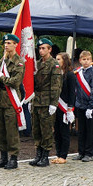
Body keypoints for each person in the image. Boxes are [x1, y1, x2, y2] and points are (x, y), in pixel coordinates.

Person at [0, 34, 25, 169]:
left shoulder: (19, 62)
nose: (6, 46)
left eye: (9, 43)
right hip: (0, 99)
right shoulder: (2, 61)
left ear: (16, 45)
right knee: (0, 130)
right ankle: (3, 157)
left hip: (11, 100)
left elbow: (15, 82)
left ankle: (13, 158)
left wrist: (2, 78)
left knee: (11, 131)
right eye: (5, 43)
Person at [29, 38, 62, 167]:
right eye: (40, 48)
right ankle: (38, 154)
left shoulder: (54, 64)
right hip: (36, 100)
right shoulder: (36, 64)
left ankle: (45, 156)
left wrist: (54, 103)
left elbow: (56, 85)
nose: (41, 51)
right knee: (36, 129)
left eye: (44, 48)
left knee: (46, 130)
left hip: (47, 101)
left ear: (50, 49)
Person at [74, 50, 93, 162]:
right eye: (84, 59)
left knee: (90, 131)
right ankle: (81, 152)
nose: (86, 62)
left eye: (88, 59)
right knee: (81, 130)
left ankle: (89, 153)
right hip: (80, 105)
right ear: (80, 61)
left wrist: (91, 106)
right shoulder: (78, 72)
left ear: (91, 60)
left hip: (90, 106)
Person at [52, 52, 76, 164]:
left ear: (64, 61)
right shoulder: (57, 74)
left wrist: (70, 108)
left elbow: (72, 93)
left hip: (65, 106)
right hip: (56, 106)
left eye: (59, 59)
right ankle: (58, 154)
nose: (56, 61)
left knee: (64, 131)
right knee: (57, 132)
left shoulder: (70, 75)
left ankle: (63, 155)